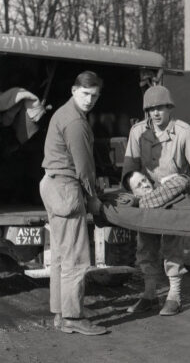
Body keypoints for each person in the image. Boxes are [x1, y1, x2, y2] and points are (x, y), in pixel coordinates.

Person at [122, 85, 190, 316]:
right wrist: (133, 190)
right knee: (145, 247)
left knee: (172, 247)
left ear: (169, 108)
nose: (155, 113)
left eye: (160, 108)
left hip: (175, 197)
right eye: (151, 109)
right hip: (148, 198)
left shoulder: (184, 132)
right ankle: (150, 294)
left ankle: (174, 296)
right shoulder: (138, 132)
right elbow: (129, 169)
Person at [39, 71, 107, 335]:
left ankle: (61, 313)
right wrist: (93, 198)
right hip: (66, 188)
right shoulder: (75, 121)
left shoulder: (65, 113)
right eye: (85, 94)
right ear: (73, 90)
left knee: (60, 256)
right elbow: (84, 167)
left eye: (95, 96)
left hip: (53, 184)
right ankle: (73, 318)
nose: (90, 100)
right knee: (76, 259)